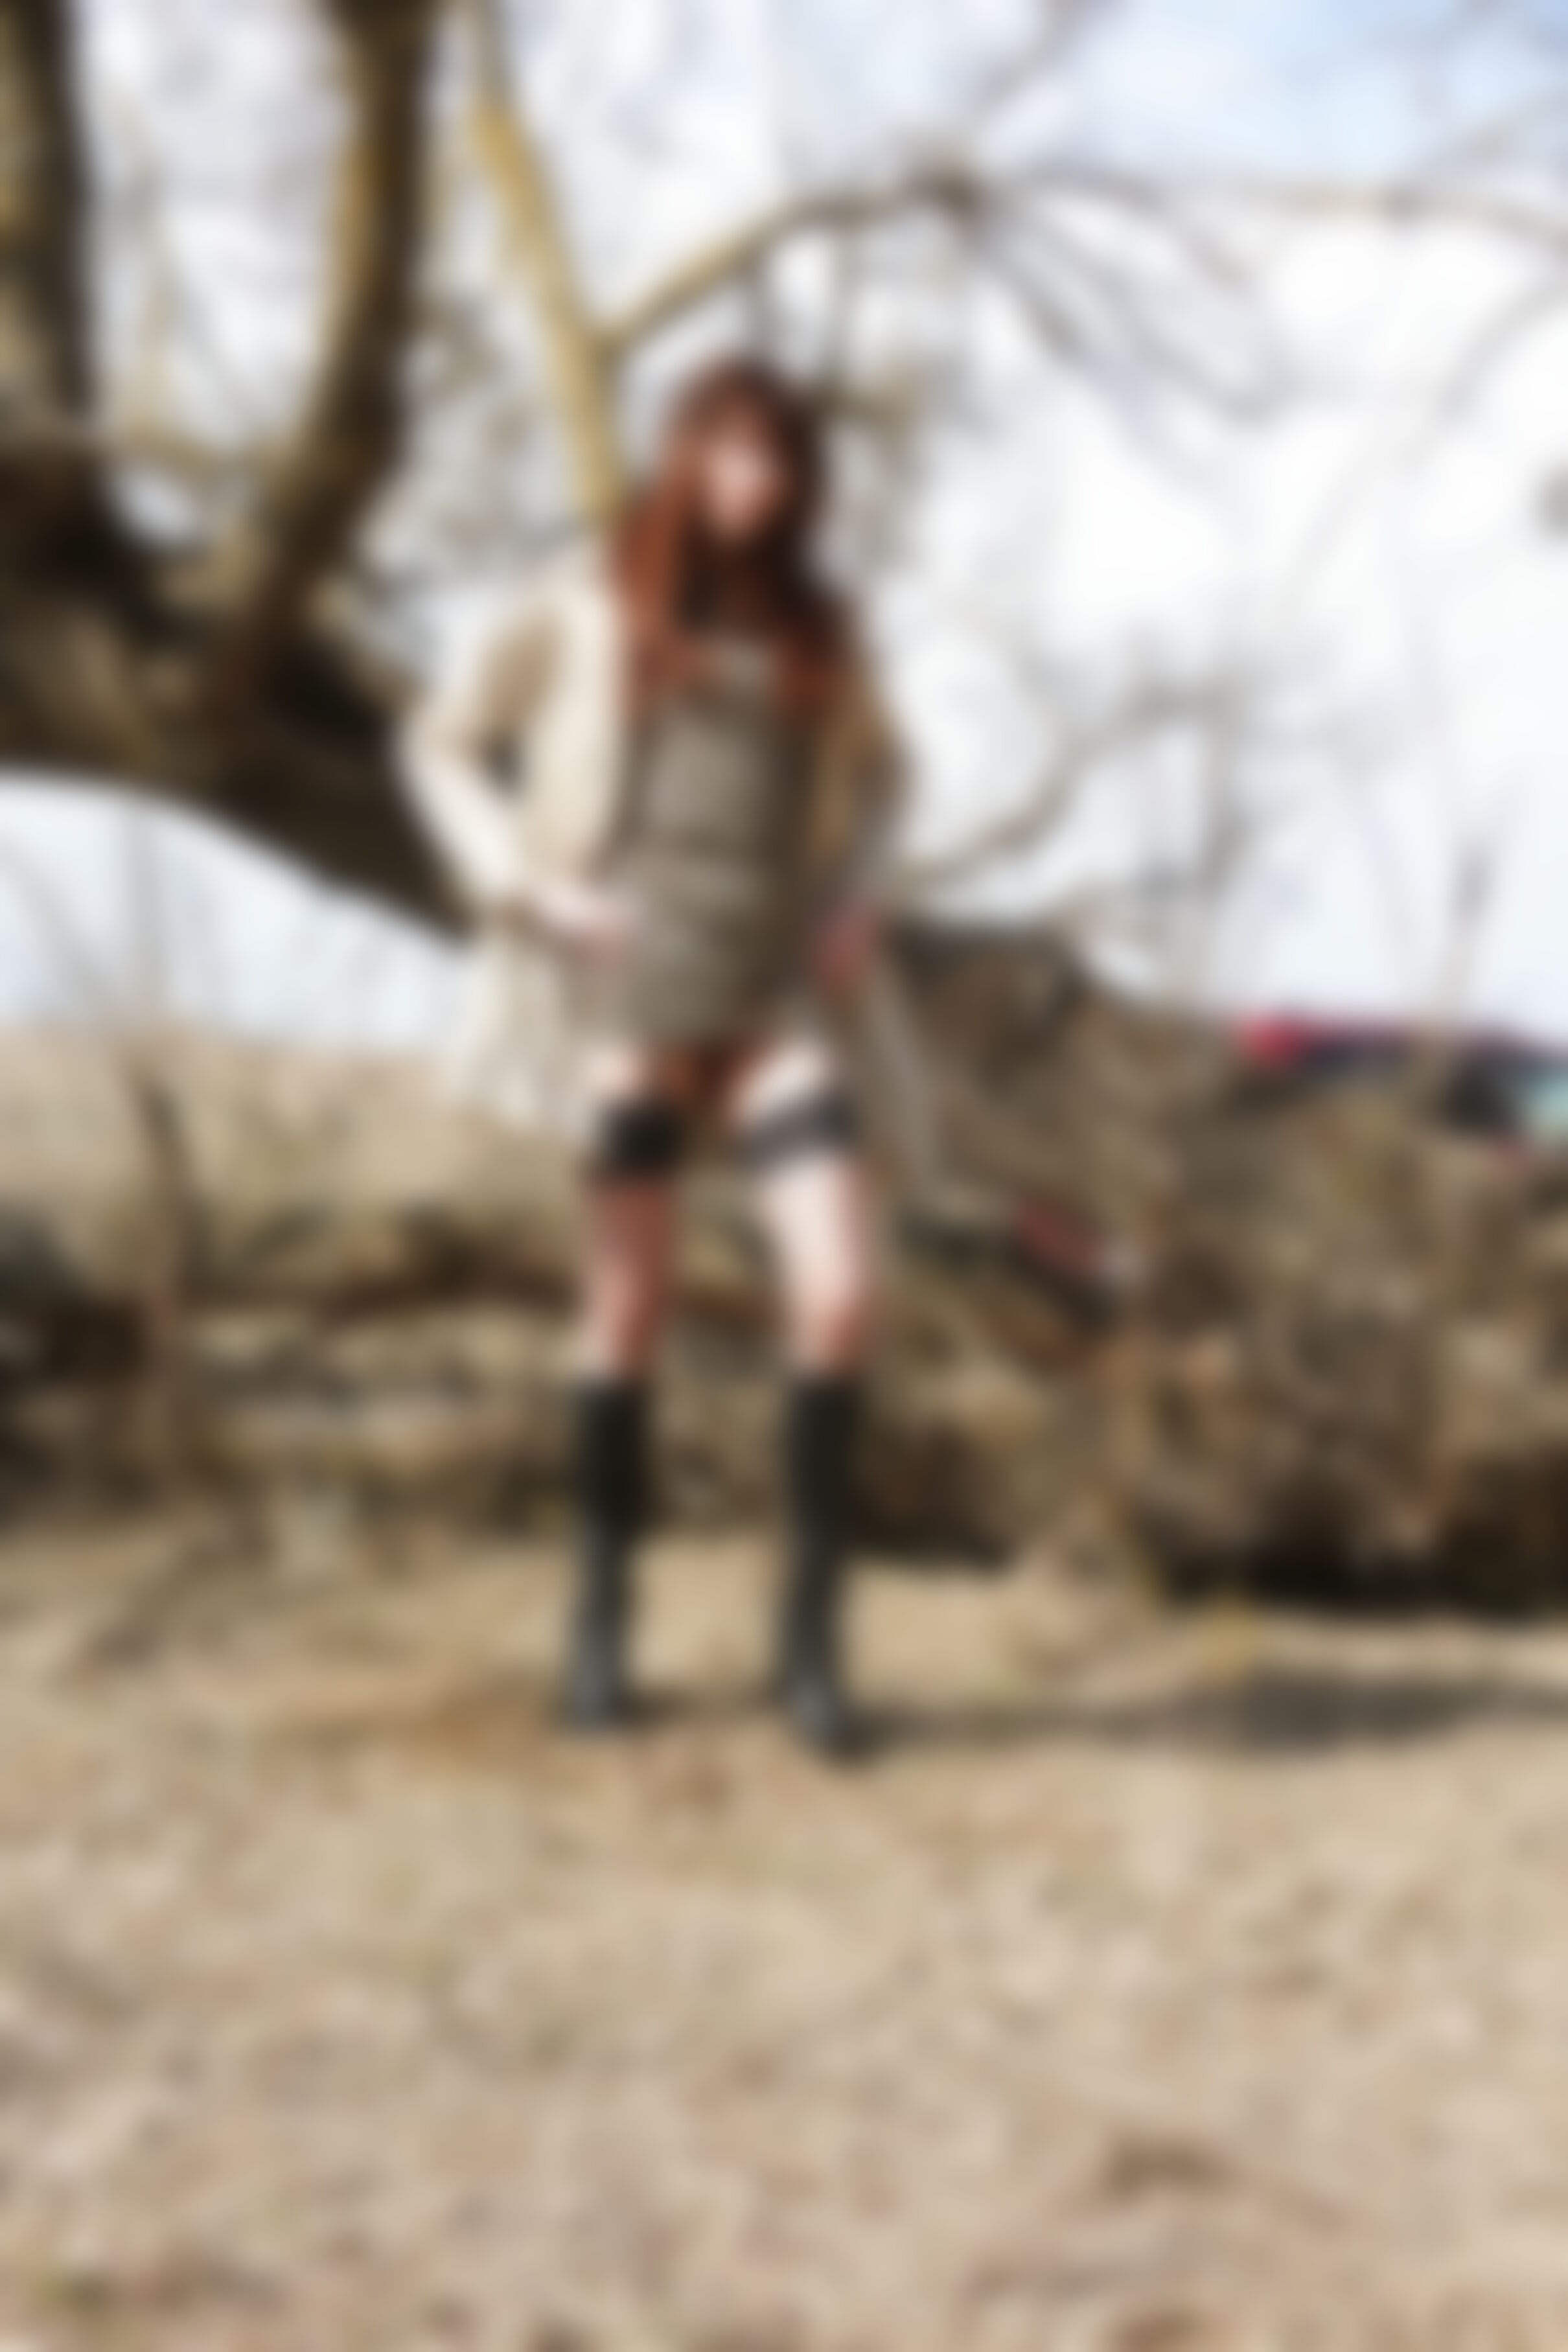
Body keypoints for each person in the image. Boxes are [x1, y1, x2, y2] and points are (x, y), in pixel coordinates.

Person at [398, 353, 946, 1758]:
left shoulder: (824, 624)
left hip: (777, 1001)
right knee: (626, 1312)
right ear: (684, 455)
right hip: (628, 996)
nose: (754, 481)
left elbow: (892, 777)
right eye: (732, 451)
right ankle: (600, 1631)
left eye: (779, 458)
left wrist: (858, 897)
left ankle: (808, 1654)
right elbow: (443, 741)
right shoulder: (588, 599)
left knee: (837, 1298)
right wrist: (529, 889)